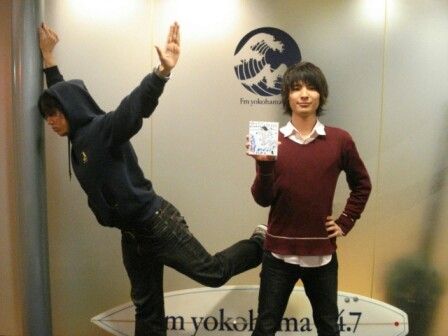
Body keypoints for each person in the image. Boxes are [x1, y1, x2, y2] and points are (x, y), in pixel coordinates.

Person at [38, 23, 266, 336]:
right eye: (47, 115)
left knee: (212, 273)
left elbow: (133, 110)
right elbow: (62, 93)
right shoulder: (78, 138)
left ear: (72, 110)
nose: (51, 121)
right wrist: (49, 59)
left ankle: (259, 243)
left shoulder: (102, 131)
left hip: (156, 223)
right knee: (147, 308)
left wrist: (161, 73)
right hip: (132, 236)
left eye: (55, 114)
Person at [246, 61, 372, 336]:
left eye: (311, 88)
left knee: (328, 326)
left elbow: (362, 184)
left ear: (321, 95)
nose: (304, 94)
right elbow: (262, 199)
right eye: (296, 88)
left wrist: (346, 220)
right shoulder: (270, 138)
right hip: (278, 254)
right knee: (265, 327)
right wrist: (265, 165)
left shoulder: (340, 140)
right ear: (287, 97)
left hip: (322, 255)